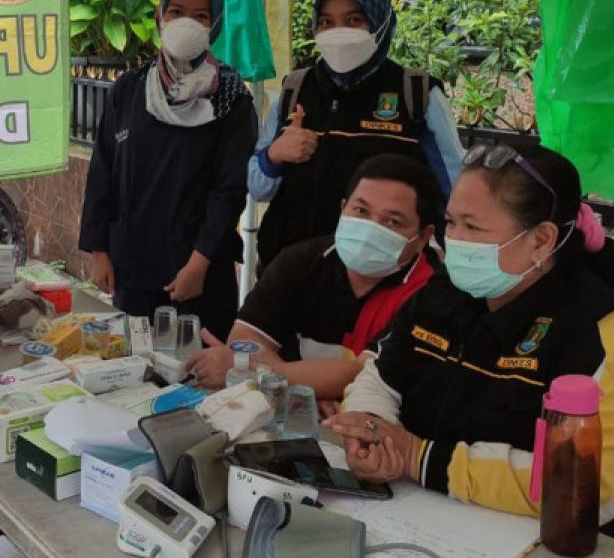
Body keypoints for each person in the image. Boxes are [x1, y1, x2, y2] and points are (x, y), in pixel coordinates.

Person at [325, 143, 614, 558]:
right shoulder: (444, 295)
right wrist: (373, 431)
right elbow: (380, 374)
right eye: (451, 223)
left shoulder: (603, 332)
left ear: (541, 240)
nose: (455, 240)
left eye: (473, 227)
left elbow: (599, 484)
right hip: (432, 539)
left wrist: (422, 459)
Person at [79, 0, 258, 340]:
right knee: (132, 381)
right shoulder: (130, 88)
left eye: (200, 15)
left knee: (198, 386)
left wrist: (200, 261)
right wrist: (99, 249)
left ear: (215, 24)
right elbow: (103, 170)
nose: (186, 23)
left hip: (199, 276)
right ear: (160, 17)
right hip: (133, 270)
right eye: (176, 11)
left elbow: (229, 191)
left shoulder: (231, 98)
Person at [250, 0, 465, 271]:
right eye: (326, 22)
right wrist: (275, 155)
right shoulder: (296, 89)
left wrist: (452, 271)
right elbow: (257, 187)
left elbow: (453, 192)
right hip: (288, 270)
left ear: (379, 25)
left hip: (380, 276)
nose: (338, 32)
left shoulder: (415, 93)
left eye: (353, 21)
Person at [185, 155, 441, 401]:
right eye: (361, 210)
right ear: (343, 209)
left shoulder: (433, 292)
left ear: (422, 237)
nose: (372, 227)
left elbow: (365, 374)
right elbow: (247, 337)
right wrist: (303, 388)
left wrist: (285, 384)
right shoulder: (302, 261)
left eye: (393, 222)